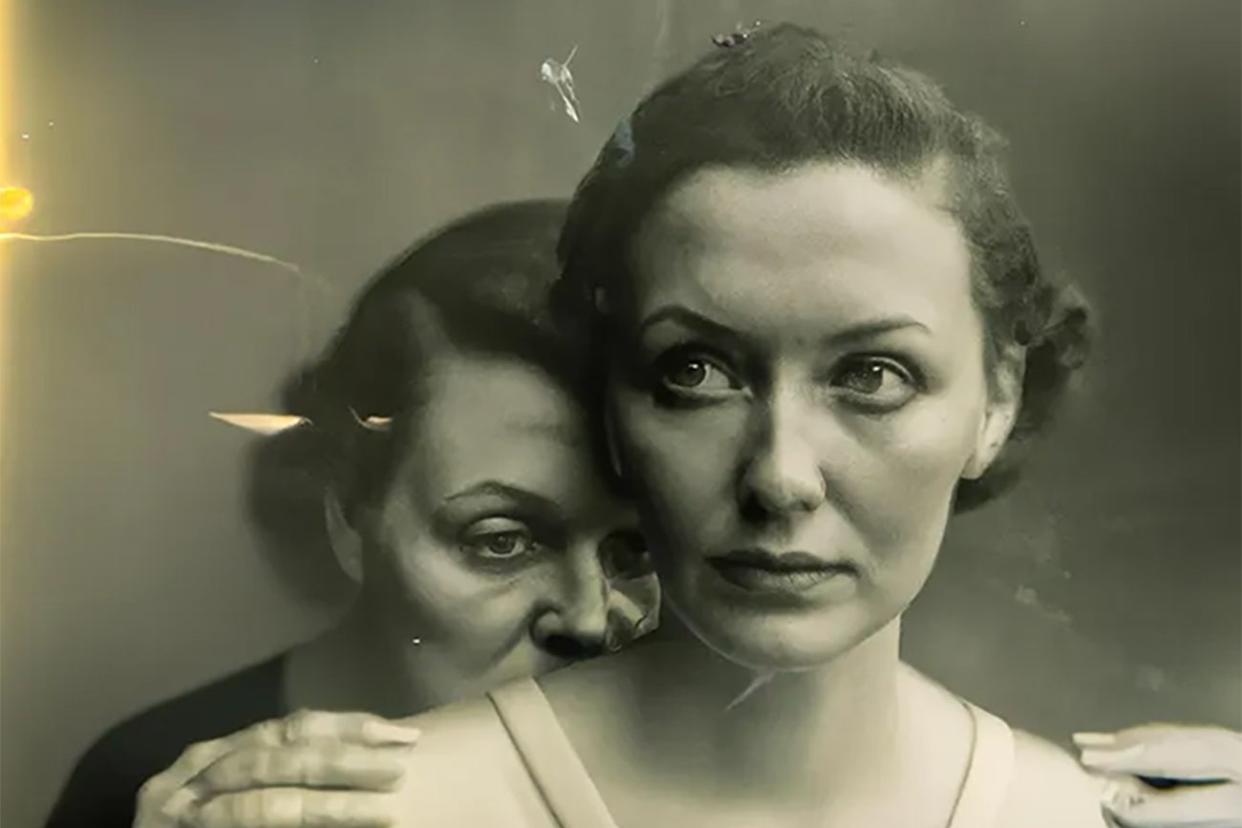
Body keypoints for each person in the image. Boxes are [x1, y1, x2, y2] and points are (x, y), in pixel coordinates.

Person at [235, 22, 1108, 827]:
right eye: (696, 372)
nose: (780, 477)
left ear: (996, 400)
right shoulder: (385, 815)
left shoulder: (1082, 817)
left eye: (872, 375)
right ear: (611, 403)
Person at [43, 199, 661, 828]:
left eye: (646, 545)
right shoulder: (156, 788)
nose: (589, 621)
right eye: (501, 541)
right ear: (348, 516)